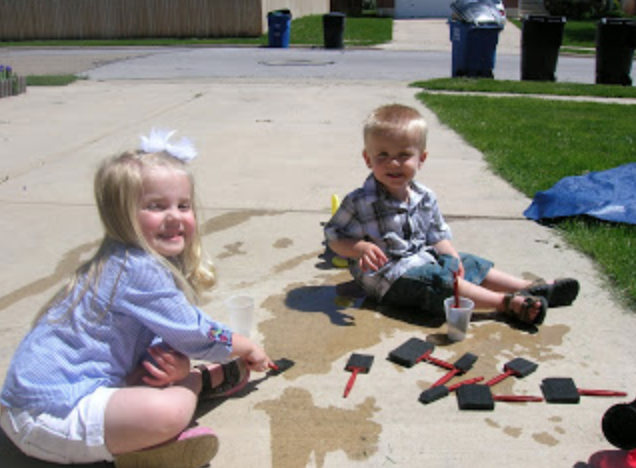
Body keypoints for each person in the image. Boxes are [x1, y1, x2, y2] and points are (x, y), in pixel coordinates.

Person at [0, 129, 273, 468]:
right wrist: (244, 345)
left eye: (183, 205)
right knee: (168, 412)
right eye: (155, 206)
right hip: (50, 415)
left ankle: (203, 382)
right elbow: (197, 333)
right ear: (121, 214)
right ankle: (185, 399)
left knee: (160, 373)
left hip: (40, 402)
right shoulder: (137, 268)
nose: (174, 216)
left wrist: (177, 361)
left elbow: (161, 335)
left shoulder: (121, 260)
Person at [324, 104, 579, 326]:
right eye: (383, 155)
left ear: (421, 158)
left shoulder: (425, 196)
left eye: (404, 155)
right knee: (439, 281)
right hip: (388, 278)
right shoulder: (358, 201)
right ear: (368, 159)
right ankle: (506, 303)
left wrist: (453, 258)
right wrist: (359, 248)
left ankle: (527, 287)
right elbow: (334, 236)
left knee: (468, 263)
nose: (393, 163)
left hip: (423, 259)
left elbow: (437, 236)